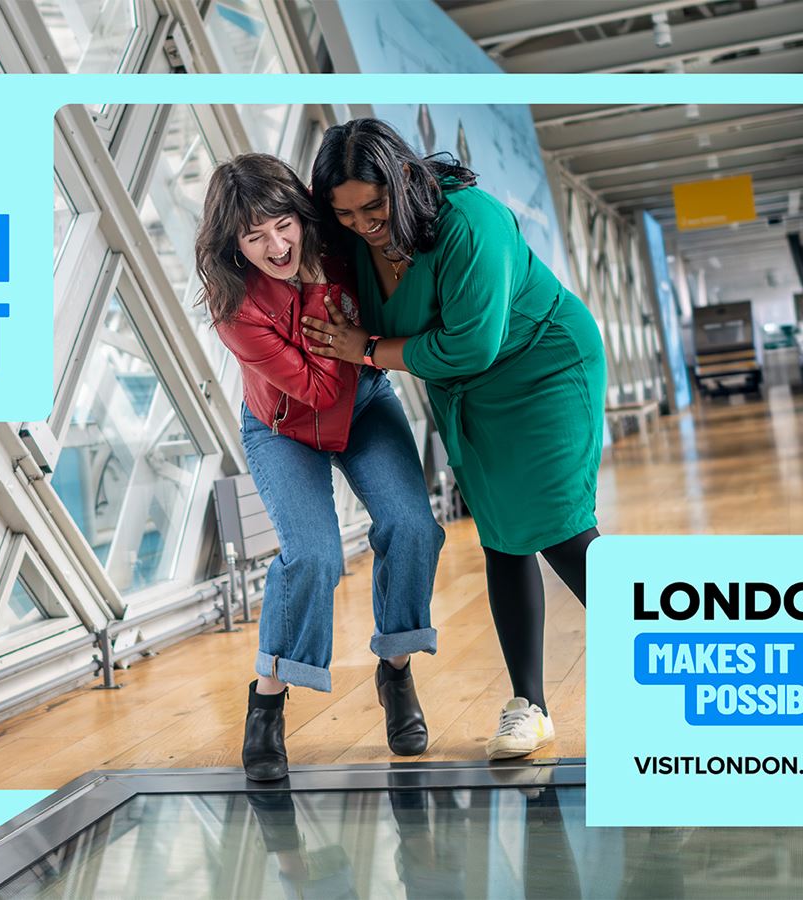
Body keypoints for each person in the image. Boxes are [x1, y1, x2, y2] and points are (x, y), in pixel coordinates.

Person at [303, 119, 605, 760]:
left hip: (543, 368)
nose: (363, 224)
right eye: (346, 213)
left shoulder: (471, 222)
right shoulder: (350, 238)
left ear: (403, 178)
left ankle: (677, 661)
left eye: (373, 207)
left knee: (561, 527)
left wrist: (368, 350)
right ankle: (530, 708)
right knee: (501, 536)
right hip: (467, 392)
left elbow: (473, 345)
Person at [195, 153, 445, 781]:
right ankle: (267, 702)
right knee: (312, 556)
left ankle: (396, 671)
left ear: (300, 214)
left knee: (413, 527)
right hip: (284, 427)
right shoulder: (236, 308)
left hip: (365, 403)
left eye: (283, 225)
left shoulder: (337, 241)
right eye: (254, 237)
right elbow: (316, 388)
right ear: (233, 244)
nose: (276, 246)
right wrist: (327, 304)